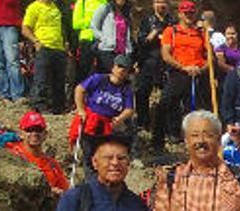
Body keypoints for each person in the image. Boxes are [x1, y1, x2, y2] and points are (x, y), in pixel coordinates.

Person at [152, 1, 210, 152]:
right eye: (185, 13)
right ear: (179, 14)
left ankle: (198, 145)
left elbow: (210, 58)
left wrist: (201, 69)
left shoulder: (202, 33)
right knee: (163, 104)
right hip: (178, 73)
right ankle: (157, 142)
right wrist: (182, 67)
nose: (189, 15)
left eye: (191, 12)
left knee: (198, 112)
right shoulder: (171, 31)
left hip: (197, 75)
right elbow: (165, 54)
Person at [73, 54, 135, 171]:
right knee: (89, 154)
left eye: (125, 68)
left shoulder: (127, 89)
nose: (121, 70)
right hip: (90, 121)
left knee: (103, 154)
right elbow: (79, 89)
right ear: (113, 67)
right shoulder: (99, 79)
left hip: (107, 125)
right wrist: (81, 109)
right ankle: (90, 179)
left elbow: (129, 109)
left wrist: (120, 118)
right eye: (119, 66)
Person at [0, 110, 69, 194]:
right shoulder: (12, 155)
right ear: (21, 133)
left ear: (45, 134)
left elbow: (66, 193)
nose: (34, 133)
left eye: (38, 130)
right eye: (29, 130)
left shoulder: (53, 165)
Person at [23, 0, 68, 114]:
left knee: (59, 79)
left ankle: (58, 107)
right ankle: (39, 106)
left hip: (59, 48)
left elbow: (61, 27)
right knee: (41, 78)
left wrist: (65, 43)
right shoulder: (34, 7)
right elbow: (25, 28)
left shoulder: (55, 7)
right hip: (44, 46)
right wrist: (36, 42)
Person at [134, 0, 173, 133]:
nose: (160, 5)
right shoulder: (147, 21)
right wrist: (150, 36)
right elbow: (140, 42)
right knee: (142, 93)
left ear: (167, 5)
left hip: (167, 63)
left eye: (163, 2)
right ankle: (142, 122)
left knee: (168, 96)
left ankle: (165, 126)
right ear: (153, 5)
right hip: (149, 61)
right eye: (157, 2)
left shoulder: (172, 22)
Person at [89, 0, 132, 74]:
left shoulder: (126, 11)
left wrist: (129, 49)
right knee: (108, 76)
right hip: (107, 50)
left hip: (122, 52)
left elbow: (127, 32)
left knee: (119, 79)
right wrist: (104, 39)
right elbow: (93, 26)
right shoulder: (105, 8)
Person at [70, 0, 105, 80]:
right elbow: (76, 24)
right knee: (83, 71)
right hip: (87, 40)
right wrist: (93, 21)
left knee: (101, 71)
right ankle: (79, 91)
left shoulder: (105, 2)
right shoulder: (82, 2)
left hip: (102, 41)